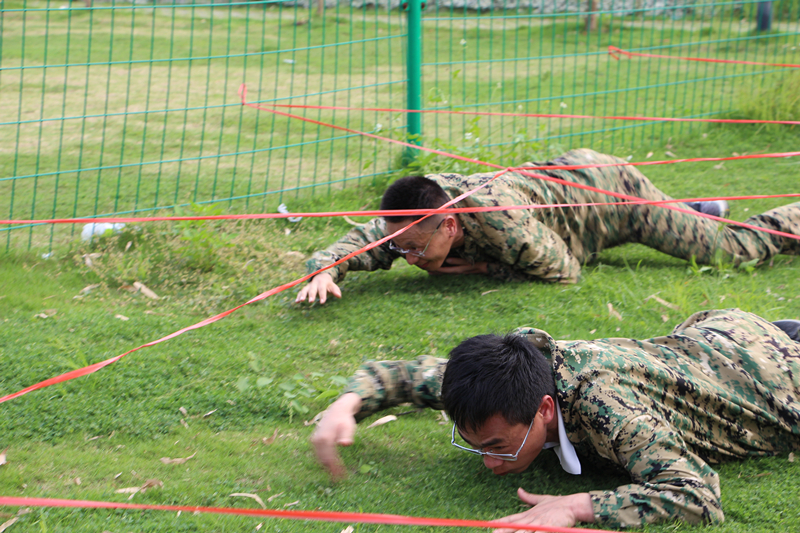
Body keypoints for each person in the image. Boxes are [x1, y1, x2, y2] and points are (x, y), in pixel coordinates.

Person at [311, 310, 800, 530]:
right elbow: (401, 374)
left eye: (497, 445)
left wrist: (576, 506)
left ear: (545, 410)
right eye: (475, 445)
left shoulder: (610, 410)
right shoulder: (498, 381)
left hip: (773, 379)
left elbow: (697, 495)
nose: (488, 462)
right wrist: (346, 405)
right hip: (710, 337)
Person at [296, 148, 800, 304]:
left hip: (614, 197)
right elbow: (364, 241)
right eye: (400, 248)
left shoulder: (504, 225)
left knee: (730, 251)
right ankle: (694, 210)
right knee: (690, 224)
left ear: (449, 225)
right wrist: (324, 270)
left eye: (413, 249)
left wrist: (483, 270)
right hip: (564, 182)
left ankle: (787, 218)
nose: (405, 257)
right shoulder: (416, 212)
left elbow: (564, 269)